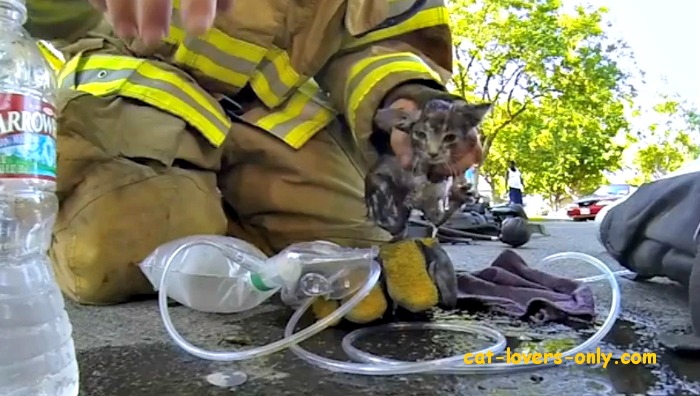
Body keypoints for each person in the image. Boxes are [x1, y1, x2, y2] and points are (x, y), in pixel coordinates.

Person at [26, 0, 483, 322]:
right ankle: (38, 223)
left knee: (357, 259)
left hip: (281, 116)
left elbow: (382, 41)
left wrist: (406, 101)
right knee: (116, 251)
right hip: (144, 86)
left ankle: (218, 229)